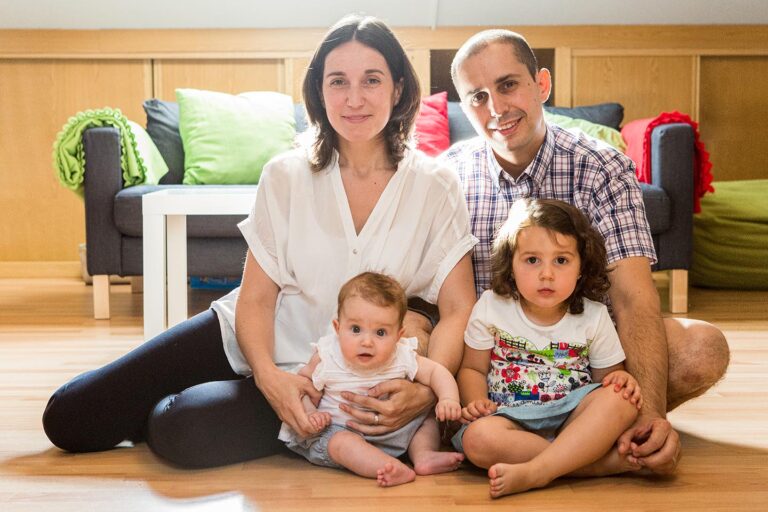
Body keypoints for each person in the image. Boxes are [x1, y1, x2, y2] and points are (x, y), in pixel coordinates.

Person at [42, 14, 477, 469]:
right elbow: (257, 298)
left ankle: (253, 419)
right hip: (250, 338)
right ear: (318, 91)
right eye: (337, 81)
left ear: (399, 89)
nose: (354, 98)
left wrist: (428, 388)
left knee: (179, 429)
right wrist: (268, 378)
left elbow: (457, 307)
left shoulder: (436, 184)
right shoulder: (286, 174)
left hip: (338, 376)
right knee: (70, 418)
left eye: (371, 80)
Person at [440, 28, 729, 476]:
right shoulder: (446, 177)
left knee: (703, 348)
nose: (496, 108)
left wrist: (652, 414)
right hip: (490, 367)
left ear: (542, 84)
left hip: (578, 365)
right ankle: (591, 455)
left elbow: (633, 297)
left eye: (508, 84)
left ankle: (588, 435)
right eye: (477, 96)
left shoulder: (602, 167)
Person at [454, 198, 643, 498]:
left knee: (621, 401)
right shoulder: (491, 306)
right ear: (511, 264)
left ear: (581, 267)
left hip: (572, 418)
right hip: (509, 418)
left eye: (561, 260)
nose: (547, 274)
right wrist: (477, 403)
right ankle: (589, 465)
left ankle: (538, 471)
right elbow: (472, 368)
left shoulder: (593, 315)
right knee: (477, 439)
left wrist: (622, 381)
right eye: (532, 260)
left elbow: (608, 379)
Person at [280, 272, 464, 487]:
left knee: (427, 418)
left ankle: (424, 454)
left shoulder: (402, 354)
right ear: (338, 328)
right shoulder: (327, 356)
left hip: (399, 431)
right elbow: (304, 387)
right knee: (342, 444)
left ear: (398, 335)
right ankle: (386, 466)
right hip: (342, 429)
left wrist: (448, 398)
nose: (367, 341)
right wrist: (311, 413)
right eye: (356, 329)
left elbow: (436, 372)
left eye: (380, 332)